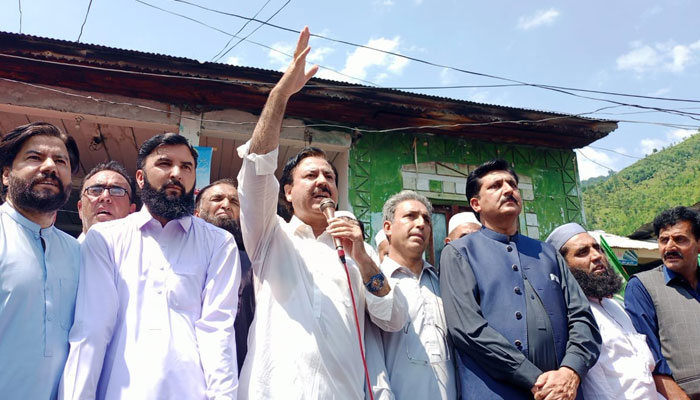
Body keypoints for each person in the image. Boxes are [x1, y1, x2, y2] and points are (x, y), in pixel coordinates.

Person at [236, 27, 407, 399]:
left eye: (329, 176)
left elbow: (392, 317)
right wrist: (279, 96)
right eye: (309, 175)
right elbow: (255, 169)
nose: (322, 181)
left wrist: (362, 256)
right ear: (287, 192)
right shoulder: (270, 237)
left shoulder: (354, 253)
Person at [60, 133, 240, 399]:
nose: (176, 173)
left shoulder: (219, 243)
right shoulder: (106, 239)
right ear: (141, 177)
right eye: (165, 164)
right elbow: (92, 330)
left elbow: (217, 331)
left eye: (186, 166)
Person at [440, 159, 601, 400]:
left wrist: (570, 371)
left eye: (512, 185)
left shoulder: (547, 253)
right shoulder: (460, 252)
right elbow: (467, 328)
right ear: (476, 204)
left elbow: (582, 317)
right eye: (495, 186)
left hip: (565, 393)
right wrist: (534, 379)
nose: (508, 190)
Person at [0, 122, 80, 399]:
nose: (50, 167)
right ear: (7, 174)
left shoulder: (78, 253)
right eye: (35, 158)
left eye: (61, 161)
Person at [546, 223, 663, 399]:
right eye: (582, 252)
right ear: (563, 266)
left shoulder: (617, 306)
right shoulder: (565, 315)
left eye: (597, 248)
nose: (596, 256)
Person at [375, 190, 457, 399]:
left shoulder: (443, 283)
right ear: (388, 228)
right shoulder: (374, 283)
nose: (421, 224)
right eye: (410, 216)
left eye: (427, 220)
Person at [625, 206, 700, 400]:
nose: (670, 247)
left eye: (680, 239)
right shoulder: (642, 286)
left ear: (698, 244)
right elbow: (649, 357)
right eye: (664, 240)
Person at [194, 177, 254, 375]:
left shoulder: (254, 264)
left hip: (238, 373)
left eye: (234, 201)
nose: (226, 205)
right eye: (217, 198)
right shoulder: (179, 257)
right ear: (196, 213)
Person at [76, 160, 136, 242]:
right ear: (80, 208)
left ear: (131, 212)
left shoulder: (149, 254)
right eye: (95, 190)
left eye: (117, 191)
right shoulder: (59, 253)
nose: (105, 197)